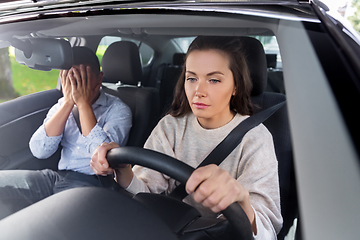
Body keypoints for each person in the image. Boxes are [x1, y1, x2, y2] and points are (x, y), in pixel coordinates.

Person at [91, 36, 283, 239]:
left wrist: (242, 200)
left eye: (214, 80)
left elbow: (266, 232)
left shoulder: (255, 138)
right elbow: (145, 191)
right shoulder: (171, 126)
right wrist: (123, 169)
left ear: (236, 85)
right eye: (192, 78)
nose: (198, 91)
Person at [0, 46, 132, 219]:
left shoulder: (118, 110)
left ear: (99, 79)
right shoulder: (61, 105)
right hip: (56, 177)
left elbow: (103, 158)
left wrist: (83, 104)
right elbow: (39, 151)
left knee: (49, 222)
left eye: (82, 78)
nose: (75, 85)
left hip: (93, 185)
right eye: (70, 78)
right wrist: (69, 103)